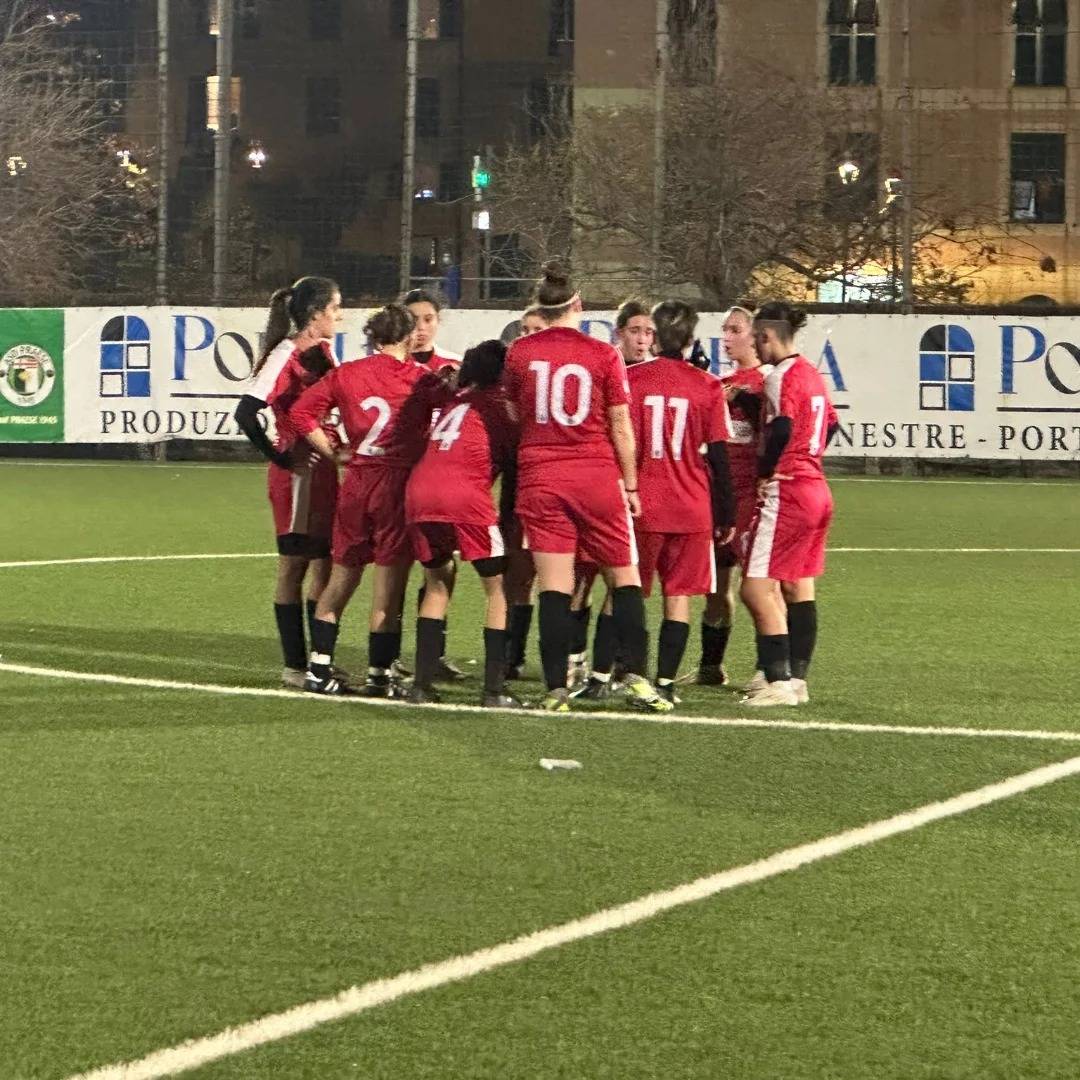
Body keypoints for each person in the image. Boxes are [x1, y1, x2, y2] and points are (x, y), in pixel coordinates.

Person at [502, 262, 672, 713]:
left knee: (554, 586)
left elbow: (514, 413)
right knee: (624, 576)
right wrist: (631, 485)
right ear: (577, 304)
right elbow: (620, 425)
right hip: (596, 477)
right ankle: (636, 678)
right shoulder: (603, 355)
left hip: (541, 477)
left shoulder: (520, 352)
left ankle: (555, 690)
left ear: (541, 306)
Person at [576, 301, 735, 704]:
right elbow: (719, 457)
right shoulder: (708, 385)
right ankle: (664, 685)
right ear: (692, 340)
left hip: (641, 504)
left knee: (620, 591)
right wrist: (727, 512)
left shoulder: (630, 379)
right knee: (677, 598)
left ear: (655, 336)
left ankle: (599, 678)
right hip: (692, 506)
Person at [290, 303, 450, 696]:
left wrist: (333, 452)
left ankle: (318, 669)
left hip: (357, 482)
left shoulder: (346, 374)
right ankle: (379, 675)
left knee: (342, 577)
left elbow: (300, 414)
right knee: (388, 588)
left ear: (374, 337)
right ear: (409, 336)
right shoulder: (421, 379)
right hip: (396, 485)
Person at [233, 277, 343, 689]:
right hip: (299, 476)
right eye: (335, 308)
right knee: (294, 567)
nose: (339, 316)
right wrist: (281, 456)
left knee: (325, 564)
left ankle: (318, 662)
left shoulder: (323, 352)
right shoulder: (285, 354)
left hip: (322, 471)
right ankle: (295, 667)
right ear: (315, 315)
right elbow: (246, 412)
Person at [404, 339, 523, 708]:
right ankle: (494, 690)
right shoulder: (499, 407)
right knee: (498, 589)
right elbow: (515, 463)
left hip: (419, 494)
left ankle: (421, 687)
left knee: (437, 584)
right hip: (465, 497)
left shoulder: (454, 402)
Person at [740, 301, 838, 707]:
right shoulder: (811, 373)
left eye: (755, 339)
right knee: (797, 587)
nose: (754, 347)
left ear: (767, 336)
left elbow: (782, 427)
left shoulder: (779, 376)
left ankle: (777, 681)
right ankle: (797, 680)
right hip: (817, 488)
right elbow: (831, 424)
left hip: (790, 490)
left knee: (755, 589)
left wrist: (767, 471)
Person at [571, 300, 656, 695]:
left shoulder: (655, 375)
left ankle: (607, 672)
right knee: (581, 581)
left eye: (648, 332)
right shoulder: (603, 367)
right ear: (619, 331)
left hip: (636, 492)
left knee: (617, 583)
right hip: (599, 487)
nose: (642, 339)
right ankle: (576, 662)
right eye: (635, 330)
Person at [698, 306, 772, 686]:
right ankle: (711, 667)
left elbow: (780, 434)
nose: (726, 337)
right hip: (721, 498)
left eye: (735, 330)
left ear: (755, 335)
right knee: (715, 587)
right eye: (724, 330)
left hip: (757, 499)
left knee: (759, 588)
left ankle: (769, 668)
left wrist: (747, 401)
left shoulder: (769, 382)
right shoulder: (719, 385)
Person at [402, 287, 466, 682]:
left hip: (438, 484)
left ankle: (432, 654)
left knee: (442, 568)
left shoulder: (454, 368)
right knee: (395, 568)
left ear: (438, 322)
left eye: (428, 320)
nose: (421, 328)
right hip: (398, 479)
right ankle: (388, 655)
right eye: (413, 320)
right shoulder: (391, 364)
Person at [503, 305, 548, 679]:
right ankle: (511, 656)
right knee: (517, 575)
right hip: (517, 489)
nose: (528, 336)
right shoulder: (512, 383)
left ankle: (568, 657)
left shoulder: (551, 385)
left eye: (536, 330)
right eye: (524, 329)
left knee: (554, 575)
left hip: (549, 486)